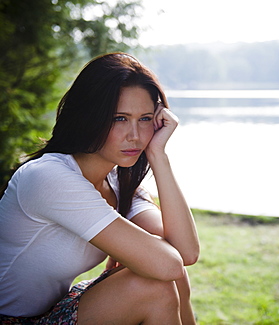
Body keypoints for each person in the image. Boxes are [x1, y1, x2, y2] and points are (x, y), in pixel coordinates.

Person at [0, 52, 200, 324]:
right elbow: (168, 263)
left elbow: (185, 253)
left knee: (169, 279)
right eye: (119, 118)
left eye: (144, 119)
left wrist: (158, 156)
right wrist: (139, 255)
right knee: (156, 285)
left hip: (50, 311)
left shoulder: (119, 180)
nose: (136, 136)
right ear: (90, 117)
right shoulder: (49, 177)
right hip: (10, 318)